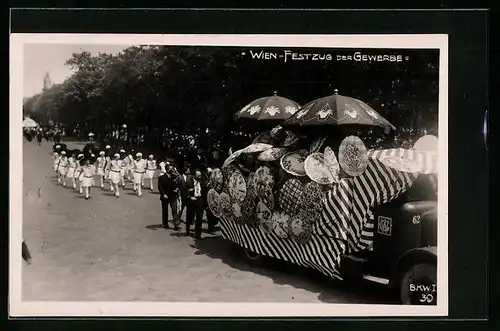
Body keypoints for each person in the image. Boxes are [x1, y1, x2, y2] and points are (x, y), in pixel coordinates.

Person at [157, 164, 181, 230]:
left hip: (173, 196)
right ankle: (165, 223)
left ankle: (176, 224)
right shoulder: (161, 178)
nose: (171, 170)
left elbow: (177, 184)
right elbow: (160, 187)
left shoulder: (174, 176)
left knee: (174, 209)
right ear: (167, 169)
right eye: (170, 169)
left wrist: (177, 188)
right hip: (165, 196)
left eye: (172, 169)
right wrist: (163, 194)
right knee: (165, 210)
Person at [185, 170, 205, 239]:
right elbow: (184, 191)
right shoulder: (188, 182)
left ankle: (198, 233)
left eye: (200, 175)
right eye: (198, 176)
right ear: (194, 176)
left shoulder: (202, 182)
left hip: (199, 200)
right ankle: (187, 229)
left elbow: (205, 190)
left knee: (199, 217)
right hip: (191, 201)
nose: (199, 177)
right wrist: (190, 196)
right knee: (189, 215)